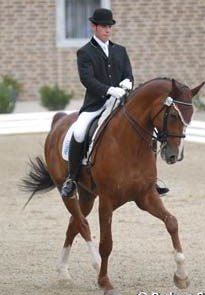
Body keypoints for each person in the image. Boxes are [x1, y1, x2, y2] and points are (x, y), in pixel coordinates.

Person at [61, 8, 169, 198]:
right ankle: (72, 178)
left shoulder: (120, 50)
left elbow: (128, 73)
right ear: (94, 27)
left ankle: (150, 178)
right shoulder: (85, 52)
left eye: (109, 26)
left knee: (146, 130)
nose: (107, 30)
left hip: (121, 104)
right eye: (104, 26)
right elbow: (87, 79)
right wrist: (109, 90)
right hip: (96, 104)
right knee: (78, 132)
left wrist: (128, 82)